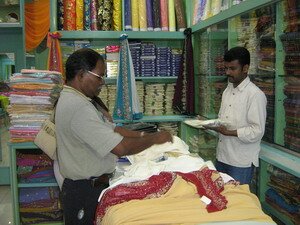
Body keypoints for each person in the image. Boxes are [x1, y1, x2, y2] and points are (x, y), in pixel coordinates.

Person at [55, 48, 173, 225]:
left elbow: (113, 129)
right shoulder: (78, 107)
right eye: (99, 76)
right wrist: (155, 139)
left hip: (85, 187)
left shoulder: (77, 100)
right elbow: (121, 148)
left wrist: (143, 134)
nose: (102, 82)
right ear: (81, 75)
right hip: (84, 191)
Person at [205, 46, 267, 185]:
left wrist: (229, 132)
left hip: (240, 162)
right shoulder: (228, 90)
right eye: (226, 68)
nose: (228, 72)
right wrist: (209, 124)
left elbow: (257, 131)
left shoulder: (255, 95)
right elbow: (224, 121)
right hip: (222, 156)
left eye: (232, 68)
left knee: (237, 200)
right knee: (220, 196)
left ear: (245, 68)